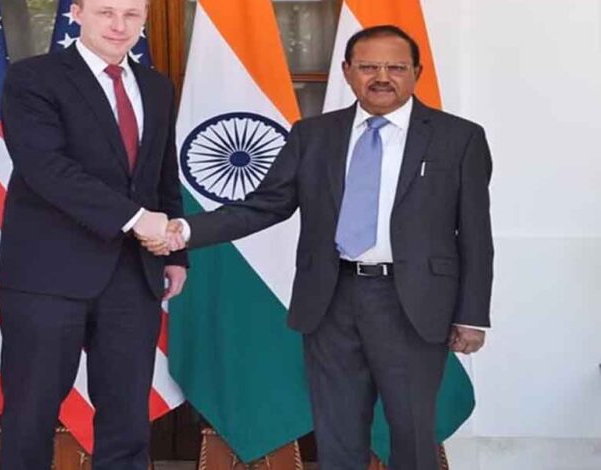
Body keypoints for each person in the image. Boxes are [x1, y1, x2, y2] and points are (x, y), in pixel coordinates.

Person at [144, 25, 493, 470]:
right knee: (336, 432)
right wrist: (184, 230)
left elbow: (475, 233)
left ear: (416, 72)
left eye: (395, 67)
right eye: (368, 67)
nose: (381, 77)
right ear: (347, 71)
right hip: (330, 300)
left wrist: (471, 314)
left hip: (413, 304)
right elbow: (265, 206)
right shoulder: (313, 134)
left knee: (411, 434)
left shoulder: (458, 138)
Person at [0, 0, 187, 468]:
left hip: (133, 275)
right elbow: (46, 167)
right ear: (77, 13)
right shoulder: (33, 78)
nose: (119, 26)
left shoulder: (156, 87)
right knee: (31, 414)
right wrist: (136, 219)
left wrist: (175, 255)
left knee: (127, 418)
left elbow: (163, 174)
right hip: (47, 275)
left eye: (131, 14)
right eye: (106, 12)